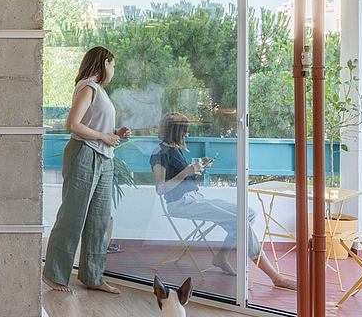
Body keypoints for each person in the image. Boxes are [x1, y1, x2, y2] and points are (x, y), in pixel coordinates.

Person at [150, 112, 296, 290]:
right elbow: (160, 188)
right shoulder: (160, 153)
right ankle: (275, 277)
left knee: (249, 213)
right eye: (184, 131)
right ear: (175, 131)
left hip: (195, 198)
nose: (186, 134)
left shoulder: (175, 148)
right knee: (239, 221)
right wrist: (186, 172)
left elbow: (181, 176)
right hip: (180, 204)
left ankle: (221, 256)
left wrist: (197, 169)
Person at [43, 46, 131, 294]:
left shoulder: (100, 91)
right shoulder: (88, 87)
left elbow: (93, 125)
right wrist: (104, 136)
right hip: (84, 154)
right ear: (104, 62)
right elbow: (73, 124)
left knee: (99, 219)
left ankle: (93, 276)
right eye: (113, 64)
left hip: (104, 157)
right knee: (73, 216)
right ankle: (54, 274)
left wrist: (114, 134)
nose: (113, 70)